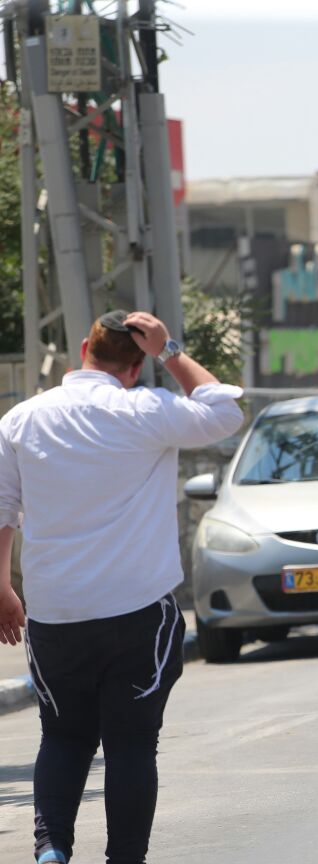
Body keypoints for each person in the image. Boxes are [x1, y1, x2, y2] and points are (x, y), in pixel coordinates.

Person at [0, 310, 244, 864]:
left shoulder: (21, 420)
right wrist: (170, 350)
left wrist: (2, 589)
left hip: (55, 613)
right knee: (131, 742)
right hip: (138, 612)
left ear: (83, 349)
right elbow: (225, 410)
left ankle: (51, 849)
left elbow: (2, 508)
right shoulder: (148, 410)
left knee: (62, 735)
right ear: (136, 367)